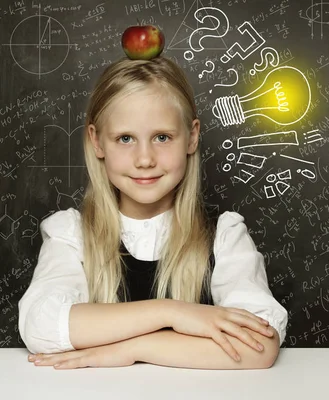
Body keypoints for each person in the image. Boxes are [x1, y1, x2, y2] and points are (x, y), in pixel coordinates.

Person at [18, 56, 288, 370]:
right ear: (96, 141)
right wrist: (171, 313)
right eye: (125, 138)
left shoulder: (223, 236)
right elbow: (41, 326)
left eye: (162, 137)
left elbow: (259, 347)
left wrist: (133, 349)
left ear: (192, 136)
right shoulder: (72, 234)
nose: (144, 159)